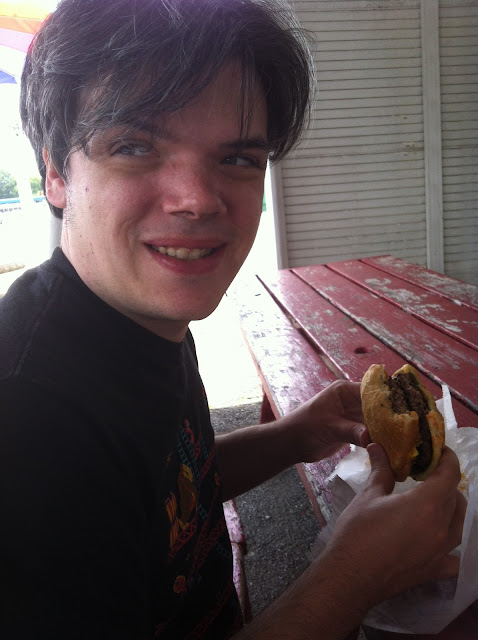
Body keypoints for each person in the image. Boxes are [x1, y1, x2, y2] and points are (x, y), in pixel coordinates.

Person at [0, 0, 465, 637]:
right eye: (133, 146)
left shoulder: (136, 321)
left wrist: (294, 436)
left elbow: (169, 488)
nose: (197, 199)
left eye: (239, 158)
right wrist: (354, 575)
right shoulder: (26, 421)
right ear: (56, 171)